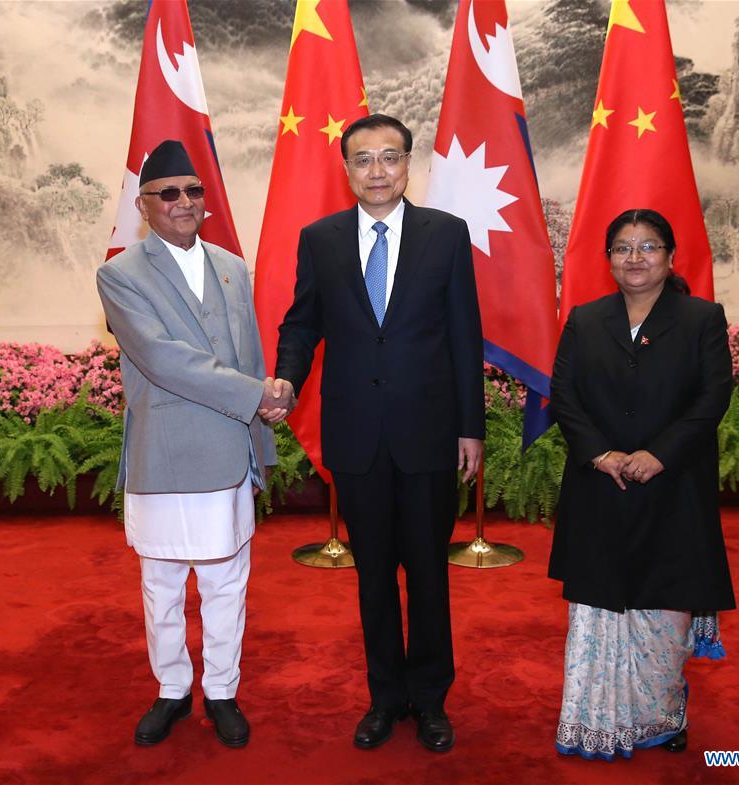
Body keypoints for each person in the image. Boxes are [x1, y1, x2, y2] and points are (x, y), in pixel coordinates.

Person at [264, 114, 485, 753]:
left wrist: (470, 427)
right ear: (347, 169)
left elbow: (466, 335)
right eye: (364, 160)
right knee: (372, 578)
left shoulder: (445, 235)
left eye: (391, 157)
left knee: (427, 572)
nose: (378, 171)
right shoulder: (322, 239)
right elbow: (302, 322)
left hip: (429, 432)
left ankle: (431, 699)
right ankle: (385, 698)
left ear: (409, 163)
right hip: (357, 434)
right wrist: (286, 378)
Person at [96, 140, 277, 749]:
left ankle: (222, 689)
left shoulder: (230, 264)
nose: (183, 202)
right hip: (166, 454)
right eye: (168, 193)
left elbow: (249, 352)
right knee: (163, 585)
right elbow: (163, 360)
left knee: (229, 582)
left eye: (193, 190)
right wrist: (256, 394)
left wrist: (263, 433)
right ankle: (172, 689)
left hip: (230, 449)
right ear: (144, 205)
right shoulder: (120, 273)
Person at [548, 208, 735, 760]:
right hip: (600, 488)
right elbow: (565, 396)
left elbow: (712, 399)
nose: (636, 258)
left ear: (670, 257)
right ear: (608, 259)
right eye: (623, 248)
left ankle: (662, 714)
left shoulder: (702, 318)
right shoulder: (585, 319)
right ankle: (597, 721)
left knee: (663, 610)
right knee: (599, 605)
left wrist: (660, 454)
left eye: (648, 246)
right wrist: (600, 453)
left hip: (673, 489)